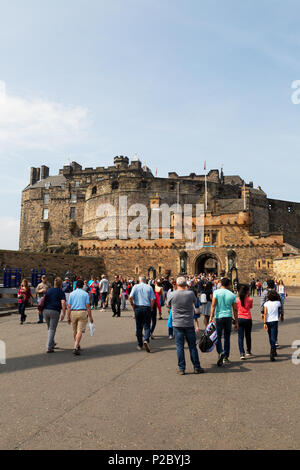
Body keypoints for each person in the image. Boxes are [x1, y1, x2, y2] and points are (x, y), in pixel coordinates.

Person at [167, 276, 204, 375]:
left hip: (177, 323)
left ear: (177, 284)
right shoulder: (190, 293)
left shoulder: (172, 294)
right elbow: (195, 302)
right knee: (192, 346)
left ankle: (182, 368)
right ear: (185, 284)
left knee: (180, 347)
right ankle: (196, 367)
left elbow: (168, 305)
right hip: (188, 323)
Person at [209, 277, 238, 366]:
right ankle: (225, 357)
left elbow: (213, 305)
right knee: (227, 337)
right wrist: (236, 321)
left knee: (217, 336)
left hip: (219, 316)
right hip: (228, 317)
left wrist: (211, 317)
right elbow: (235, 309)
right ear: (229, 284)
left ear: (221, 284)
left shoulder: (216, 292)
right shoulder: (232, 294)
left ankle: (220, 352)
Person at [67, 279, 94, 355]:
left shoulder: (72, 294)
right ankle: (76, 346)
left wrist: (68, 317)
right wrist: (91, 317)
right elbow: (88, 306)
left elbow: (69, 306)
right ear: (82, 286)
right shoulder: (85, 294)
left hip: (73, 312)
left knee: (75, 331)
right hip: (82, 312)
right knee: (80, 331)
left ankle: (77, 344)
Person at [129, 276, 156, 352]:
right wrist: (151, 308)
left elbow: (130, 297)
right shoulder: (149, 287)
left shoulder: (135, 286)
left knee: (138, 327)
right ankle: (146, 340)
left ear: (139, 280)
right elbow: (153, 299)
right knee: (147, 326)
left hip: (138, 307)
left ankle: (140, 344)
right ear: (145, 280)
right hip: (146, 307)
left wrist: (132, 305)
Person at [43, 277, 66, 353]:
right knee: (52, 329)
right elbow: (63, 302)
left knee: (49, 328)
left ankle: (52, 343)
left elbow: (44, 300)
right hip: (55, 311)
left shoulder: (49, 290)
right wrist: (63, 313)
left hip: (46, 310)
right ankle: (49, 346)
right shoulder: (61, 292)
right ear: (61, 284)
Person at [260, 279, 284, 348]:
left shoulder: (264, 293)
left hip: (267, 312)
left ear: (267, 285)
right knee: (275, 328)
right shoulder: (277, 293)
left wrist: (262, 312)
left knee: (269, 330)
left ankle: (273, 343)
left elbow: (262, 303)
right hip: (276, 313)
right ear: (274, 285)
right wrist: (282, 314)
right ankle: (275, 341)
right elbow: (281, 304)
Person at [263, 290, 284, 361]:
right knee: (274, 337)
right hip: (274, 321)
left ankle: (273, 350)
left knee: (270, 336)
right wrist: (281, 316)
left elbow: (265, 313)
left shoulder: (266, 304)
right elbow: (280, 310)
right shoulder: (278, 303)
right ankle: (272, 351)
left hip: (268, 321)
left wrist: (264, 323)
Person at [236, 285, 253, 360]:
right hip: (248, 318)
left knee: (240, 337)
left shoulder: (237, 300)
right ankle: (248, 351)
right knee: (248, 336)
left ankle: (242, 353)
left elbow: (236, 308)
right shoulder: (250, 299)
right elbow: (250, 307)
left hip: (240, 318)